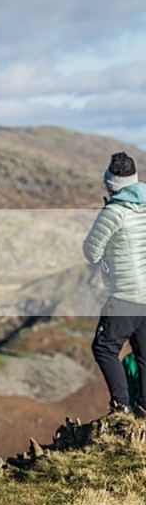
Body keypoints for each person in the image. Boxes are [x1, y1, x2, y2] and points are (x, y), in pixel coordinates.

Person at [83, 151, 146, 416]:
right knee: (143, 354)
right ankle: (143, 406)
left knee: (104, 347)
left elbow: (91, 252)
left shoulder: (114, 212)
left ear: (110, 183)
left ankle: (121, 406)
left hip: (125, 295)